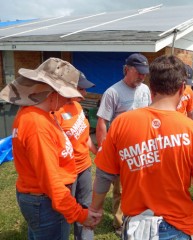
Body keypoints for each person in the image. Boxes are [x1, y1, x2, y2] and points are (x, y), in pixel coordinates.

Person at [89, 55, 193, 239]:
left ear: (151, 88)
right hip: (178, 228)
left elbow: (104, 174)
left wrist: (95, 209)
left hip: (135, 228)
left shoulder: (120, 124)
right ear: (181, 89)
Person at [0, 58, 101, 239]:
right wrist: (80, 214)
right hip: (45, 202)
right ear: (52, 92)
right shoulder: (37, 124)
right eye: (66, 94)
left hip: (43, 199)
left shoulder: (42, 115)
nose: (69, 100)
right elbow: (51, 181)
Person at [95, 53, 152, 235]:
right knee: (119, 188)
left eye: (144, 73)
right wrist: (104, 151)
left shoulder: (145, 90)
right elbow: (102, 122)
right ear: (127, 69)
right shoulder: (113, 92)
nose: (142, 77)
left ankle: (137, 215)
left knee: (140, 185)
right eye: (139, 72)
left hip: (143, 148)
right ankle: (119, 223)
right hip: (121, 151)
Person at [55, 71, 97, 240]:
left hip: (85, 166)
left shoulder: (78, 107)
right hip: (67, 172)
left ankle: (85, 237)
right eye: (81, 89)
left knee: (86, 205)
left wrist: (96, 152)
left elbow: (84, 137)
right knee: (66, 211)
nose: (85, 93)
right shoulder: (56, 112)